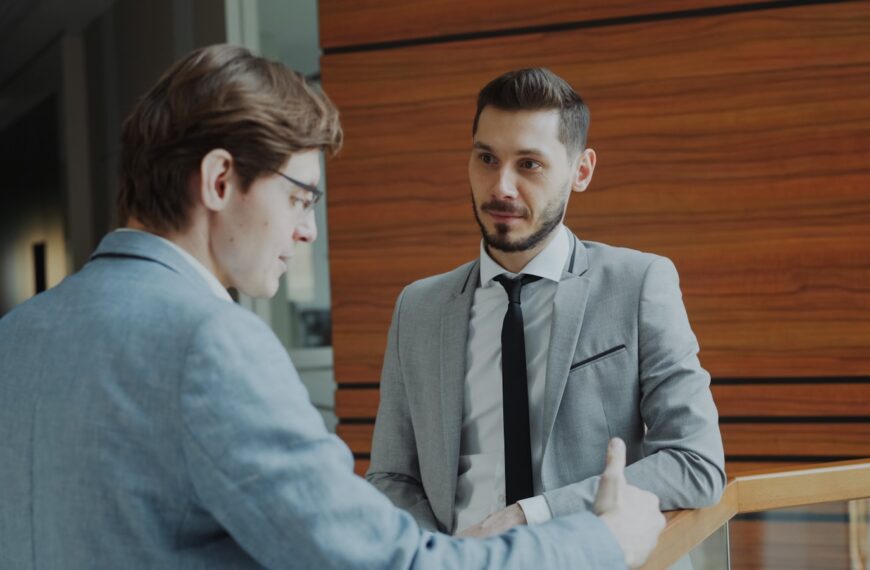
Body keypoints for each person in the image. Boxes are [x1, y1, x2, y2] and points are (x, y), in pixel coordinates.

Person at [0, 46, 665, 569]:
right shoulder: (210, 344)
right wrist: (604, 542)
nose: (308, 232)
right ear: (220, 180)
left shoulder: (18, 333)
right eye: (298, 197)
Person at [367, 67, 726, 538]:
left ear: (581, 171)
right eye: (487, 158)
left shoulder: (639, 284)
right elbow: (392, 477)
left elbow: (696, 464)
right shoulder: (418, 307)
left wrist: (528, 515)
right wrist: (445, 557)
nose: (502, 188)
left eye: (529, 164)